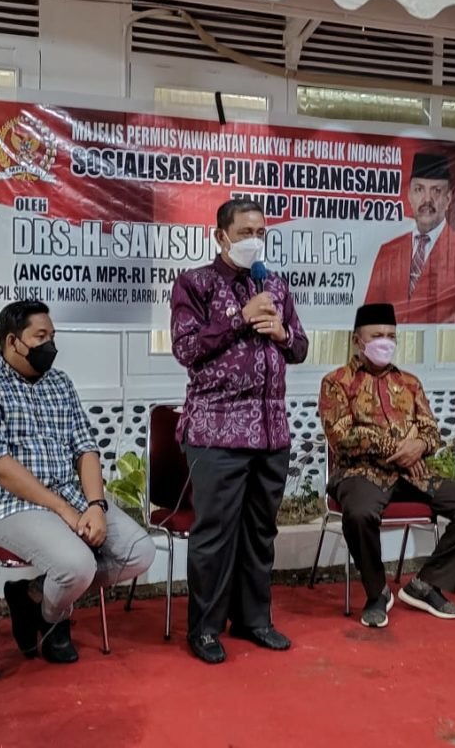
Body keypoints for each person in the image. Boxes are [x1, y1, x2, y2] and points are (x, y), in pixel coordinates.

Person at [0, 300, 154, 664]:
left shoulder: (60, 383)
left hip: (69, 495)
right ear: (12, 341)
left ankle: (34, 600)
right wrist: (63, 510)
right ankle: (57, 619)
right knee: (77, 565)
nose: (50, 345)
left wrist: (96, 506)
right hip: (4, 504)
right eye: (40, 336)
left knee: (139, 552)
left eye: (52, 336)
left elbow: (86, 448)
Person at [170, 198, 309, 664]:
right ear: (221, 236)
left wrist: (282, 335)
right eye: (245, 232)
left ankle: (254, 619)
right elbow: (187, 348)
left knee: (260, 533)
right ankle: (206, 629)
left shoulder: (276, 284)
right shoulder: (195, 284)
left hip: (271, 432)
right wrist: (238, 317)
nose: (255, 240)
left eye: (261, 232)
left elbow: (300, 348)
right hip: (217, 432)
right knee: (214, 535)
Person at [319, 303, 455, 628]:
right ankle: (377, 592)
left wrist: (420, 445)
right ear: (357, 340)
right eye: (376, 336)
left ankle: (425, 585)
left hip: (413, 475)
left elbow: (431, 431)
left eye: (390, 336)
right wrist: (398, 448)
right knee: (359, 514)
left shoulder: (409, 382)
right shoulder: (336, 382)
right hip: (360, 474)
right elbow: (341, 436)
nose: (385, 342)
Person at [364, 152, 455, 324]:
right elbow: (370, 318)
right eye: (419, 189)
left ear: (448, 198)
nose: (427, 199)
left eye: (436, 191)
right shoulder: (388, 252)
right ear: (409, 195)